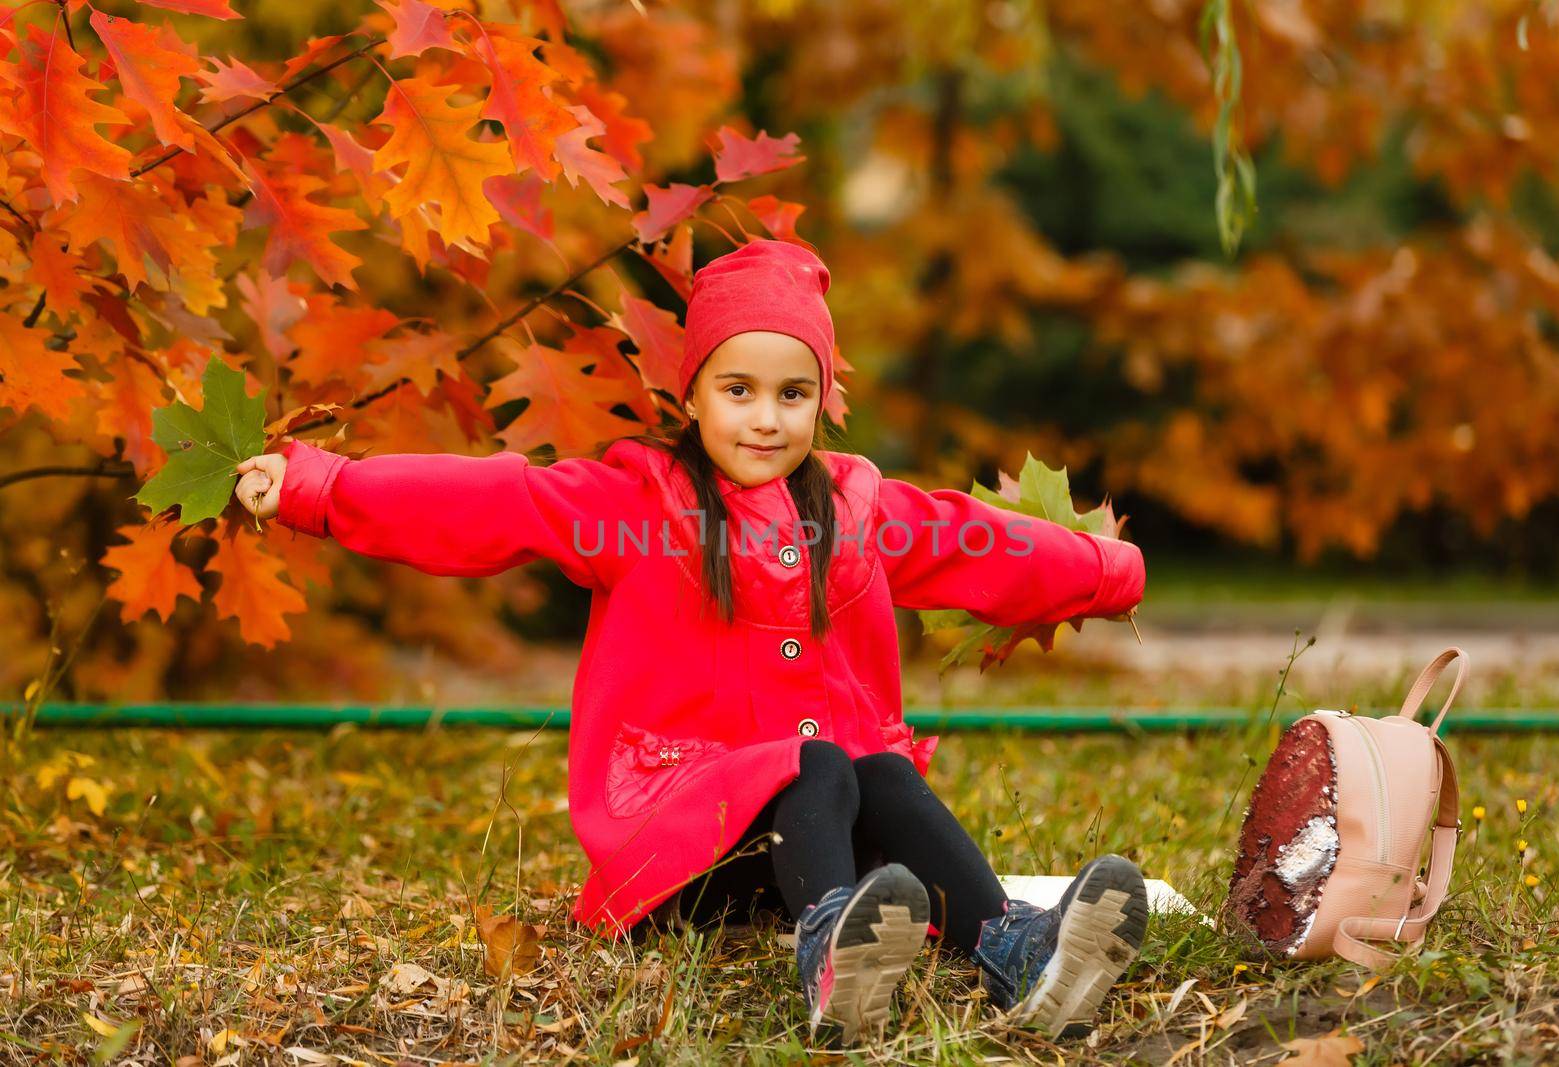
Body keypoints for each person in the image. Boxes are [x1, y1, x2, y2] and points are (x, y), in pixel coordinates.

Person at [234, 238, 1149, 1046]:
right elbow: (488, 501)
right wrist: (324, 488)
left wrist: (1105, 571)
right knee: (817, 762)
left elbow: (974, 542)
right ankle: (834, 957)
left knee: (880, 772)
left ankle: (1013, 949)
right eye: (738, 390)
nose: (765, 418)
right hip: (678, 852)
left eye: (793, 394)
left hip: (804, 846)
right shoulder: (637, 503)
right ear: (695, 391)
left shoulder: (858, 508)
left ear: (823, 399)